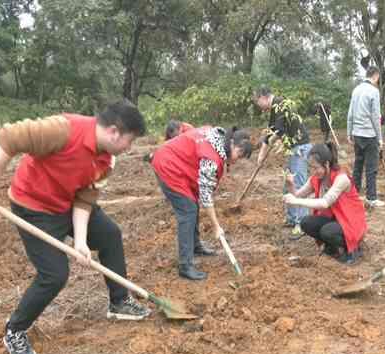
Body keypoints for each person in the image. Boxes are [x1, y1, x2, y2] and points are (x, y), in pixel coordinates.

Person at [0, 101, 151, 354]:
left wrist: (81, 241)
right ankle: (15, 330)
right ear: (115, 132)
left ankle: (119, 302)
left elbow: (84, 198)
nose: (129, 148)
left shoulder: (107, 158)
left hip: (67, 203)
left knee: (110, 234)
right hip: (33, 207)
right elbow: (7, 138)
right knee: (55, 274)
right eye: (130, 141)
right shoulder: (63, 130)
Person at [151, 125, 252, 280]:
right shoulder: (212, 158)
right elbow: (206, 195)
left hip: (176, 163)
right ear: (232, 144)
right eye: (239, 153)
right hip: (168, 166)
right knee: (188, 210)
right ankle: (185, 266)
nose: (237, 160)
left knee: (192, 204)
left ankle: (196, 246)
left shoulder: (218, 137)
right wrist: (217, 226)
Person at [283, 143, 367, 265]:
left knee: (327, 231)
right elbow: (297, 195)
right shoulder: (316, 178)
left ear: (326, 164)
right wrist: (290, 184)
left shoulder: (341, 178)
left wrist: (296, 201)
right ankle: (332, 247)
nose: (313, 171)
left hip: (351, 222)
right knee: (306, 223)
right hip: (335, 219)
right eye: (311, 167)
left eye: (316, 167)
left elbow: (325, 203)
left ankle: (354, 249)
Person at [254, 86, 312, 239]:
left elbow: (277, 132)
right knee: (289, 182)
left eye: (257, 101)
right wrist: (262, 151)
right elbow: (272, 130)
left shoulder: (280, 104)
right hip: (293, 148)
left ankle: (303, 223)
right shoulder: (276, 107)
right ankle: (293, 219)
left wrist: (265, 151)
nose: (258, 105)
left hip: (299, 147)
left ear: (263, 97)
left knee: (298, 184)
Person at [347, 66, 385, 207]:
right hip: (369, 134)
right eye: (378, 79)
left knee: (358, 165)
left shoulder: (356, 90)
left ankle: (354, 194)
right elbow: (375, 116)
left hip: (357, 133)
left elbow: (350, 113)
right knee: (371, 167)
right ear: (375, 76)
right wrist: (380, 137)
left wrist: (349, 132)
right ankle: (371, 198)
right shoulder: (374, 91)